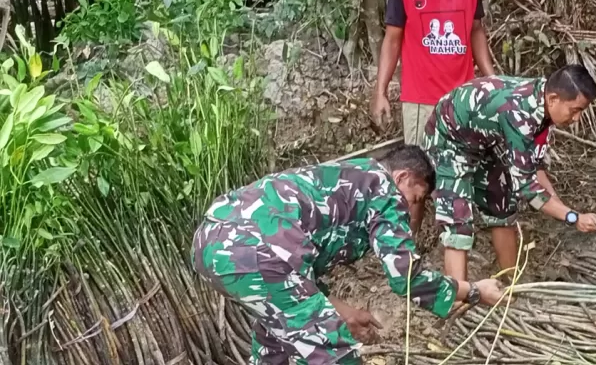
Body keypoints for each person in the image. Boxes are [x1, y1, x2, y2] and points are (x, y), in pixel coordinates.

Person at [191, 145, 503, 364]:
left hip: (213, 243)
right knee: (333, 352)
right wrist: (473, 291)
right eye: (416, 197)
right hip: (259, 250)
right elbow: (406, 276)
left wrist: (345, 312)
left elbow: (297, 276)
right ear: (403, 178)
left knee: (280, 344)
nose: (409, 209)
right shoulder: (385, 190)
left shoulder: (351, 175)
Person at [423, 65, 596, 281]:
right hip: (450, 141)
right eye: (575, 110)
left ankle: (511, 284)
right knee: (457, 221)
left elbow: (534, 167)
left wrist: (565, 209)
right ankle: (460, 297)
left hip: (487, 140)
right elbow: (528, 188)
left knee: (502, 207)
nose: (576, 119)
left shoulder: (543, 105)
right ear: (554, 98)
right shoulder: (520, 114)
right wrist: (573, 217)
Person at [371, 0, 495, 232]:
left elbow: (476, 29)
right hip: (420, 99)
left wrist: (492, 80)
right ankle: (408, 244)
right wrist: (380, 91)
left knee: (463, 166)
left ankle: (455, 235)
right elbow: (392, 39)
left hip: (463, 99)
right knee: (415, 175)